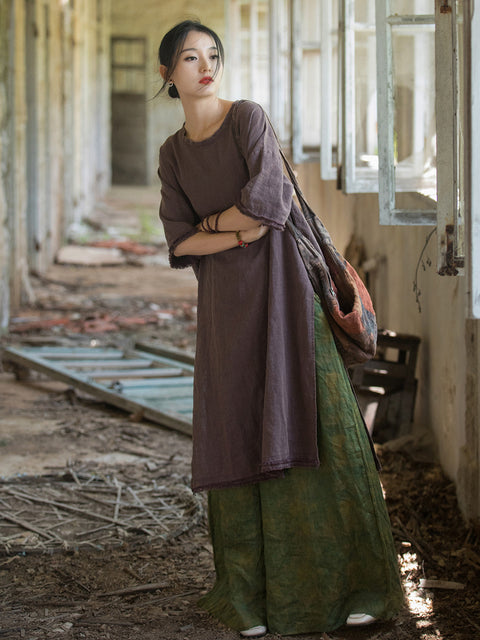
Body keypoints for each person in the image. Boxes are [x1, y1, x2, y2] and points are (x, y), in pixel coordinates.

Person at [157, 19, 404, 639]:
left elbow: (270, 206)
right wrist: (234, 232)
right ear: (168, 74)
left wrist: (222, 229)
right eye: (189, 58)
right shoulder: (171, 154)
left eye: (212, 54)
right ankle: (252, 598)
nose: (205, 66)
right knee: (237, 427)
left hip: (285, 294)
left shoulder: (247, 119)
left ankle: (356, 588)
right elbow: (178, 239)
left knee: (319, 424)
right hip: (225, 309)